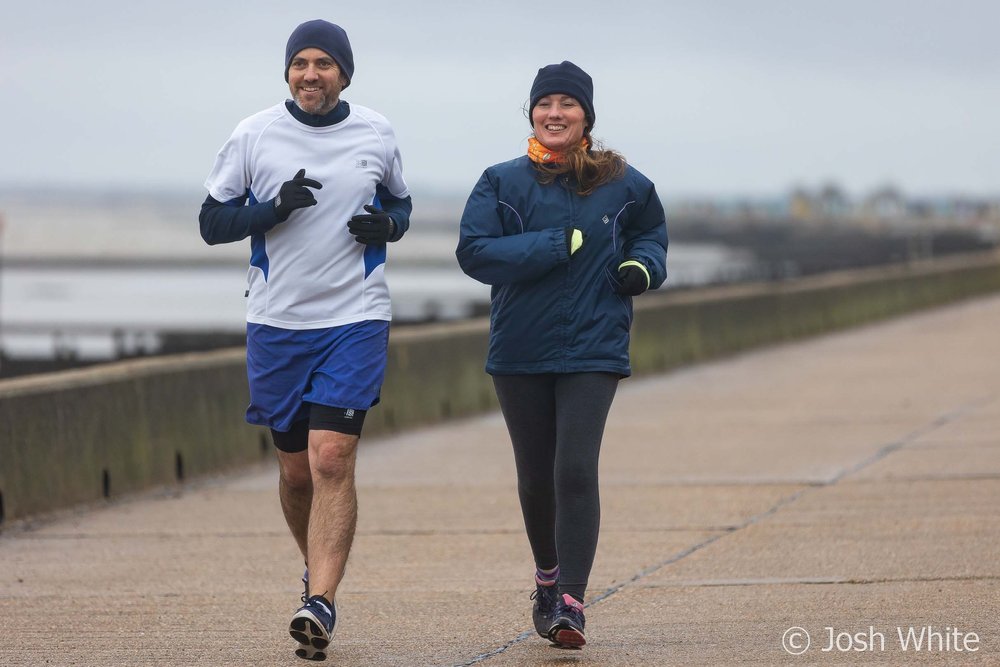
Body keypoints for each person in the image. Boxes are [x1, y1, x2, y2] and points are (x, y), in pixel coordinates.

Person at [199, 19, 411, 662]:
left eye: (324, 64)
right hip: (277, 324)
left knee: (329, 460)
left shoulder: (376, 131)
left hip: (355, 317)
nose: (310, 74)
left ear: (345, 73)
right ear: (288, 72)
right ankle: (315, 577)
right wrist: (272, 209)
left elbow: (400, 206)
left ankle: (320, 600)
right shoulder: (254, 133)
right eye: (300, 64)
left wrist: (388, 227)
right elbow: (212, 222)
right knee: (295, 472)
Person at [456, 61, 667, 649]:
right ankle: (547, 579)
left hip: (594, 347)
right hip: (520, 348)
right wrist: (551, 246)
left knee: (574, 469)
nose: (555, 113)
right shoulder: (500, 182)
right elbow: (474, 253)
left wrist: (642, 268)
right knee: (535, 478)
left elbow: (652, 232)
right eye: (545, 103)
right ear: (531, 113)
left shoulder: (623, 182)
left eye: (568, 105)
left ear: (586, 117)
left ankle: (571, 602)